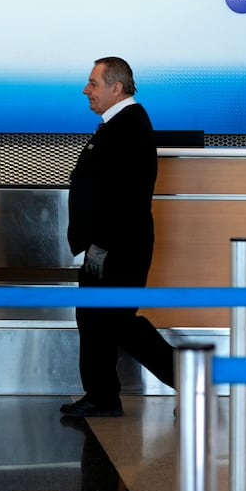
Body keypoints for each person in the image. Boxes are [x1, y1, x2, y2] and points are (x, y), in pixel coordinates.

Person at [59, 56, 177, 418]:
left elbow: (125, 198)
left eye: (93, 83)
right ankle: (101, 395)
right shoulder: (115, 124)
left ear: (116, 87)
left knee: (118, 322)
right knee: (96, 322)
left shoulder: (128, 126)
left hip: (117, 250)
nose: (86, 90)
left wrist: (102, 246)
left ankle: (191, 378)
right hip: (106, 248)